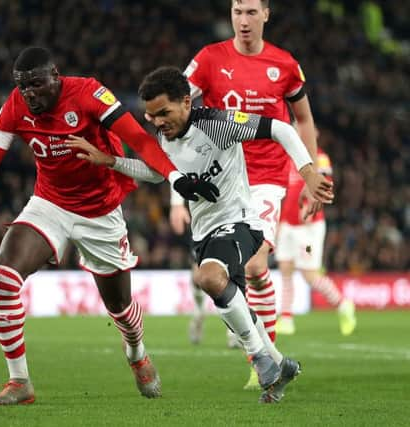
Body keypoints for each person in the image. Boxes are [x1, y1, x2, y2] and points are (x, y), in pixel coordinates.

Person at [0, 47, 220, 405]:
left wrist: (176, 179)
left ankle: (137, 353)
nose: (30, 94)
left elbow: (140, 140)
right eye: (23, 88)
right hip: (49, 203)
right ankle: (19, 381)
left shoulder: (88, 93)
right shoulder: (16, 104)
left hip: (101, 212)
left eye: (37, 84)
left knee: (121, 311)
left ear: (56, 76)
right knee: (3, 279)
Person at [65, 66, 334, 403]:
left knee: (208, 277)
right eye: (151, 117)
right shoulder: (163, 138)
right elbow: (154, 172)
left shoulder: (218, 125)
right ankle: (281, 366)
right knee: (233, 300)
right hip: (204, 232)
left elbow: (280, 128)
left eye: (164, 112)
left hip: (242, 222)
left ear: (186, 103)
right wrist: (110, 161)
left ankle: (260, 357)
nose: (158, 122)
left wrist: (308, 171)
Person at [174, 0, 322, 389]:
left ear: (266, 14)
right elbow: (174, 108)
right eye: (238, 11)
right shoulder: (208, 59)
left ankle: (263, 360)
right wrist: (176, 193)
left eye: (252, 12)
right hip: (221, 179)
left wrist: (310, 174)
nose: (243, 20)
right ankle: (269, 359)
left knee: (255, 268)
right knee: (224, 274)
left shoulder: (285, 65)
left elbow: (303, 120)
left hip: (269, 176)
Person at [275, 140, 356, 336]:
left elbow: (326, 185)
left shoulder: (320, 157)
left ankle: (343, 305)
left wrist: (312, 208)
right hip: (287, 222)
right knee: (285, 267)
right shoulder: (287, 155)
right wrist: (278, 221)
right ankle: (286, 318)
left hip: (309, 227)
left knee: (309, 275)